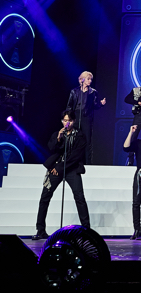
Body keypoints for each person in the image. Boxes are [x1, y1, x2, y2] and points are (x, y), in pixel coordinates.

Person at [32, 111, 90, 240]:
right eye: (64, 120)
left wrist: (59, 168)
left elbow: (76, 156)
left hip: (71, 169)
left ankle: (86, 230)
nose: (66, 123)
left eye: (69, 120)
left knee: (79, 197)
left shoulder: (80, 136)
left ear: (74, 121)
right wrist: (58, 138)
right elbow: (52, 149)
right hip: (56, 168)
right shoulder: (58, 134)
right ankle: (40, 229)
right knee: (45, 197)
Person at [66, 71, 106, 165]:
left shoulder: (93, 92)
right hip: (75, 116)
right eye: (88, 79)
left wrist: (101, 104)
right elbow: (69, 106)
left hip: (86, 117)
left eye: (91, 79)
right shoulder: (74, 91)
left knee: (87, 141)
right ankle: (72, 162)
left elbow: (95, 105)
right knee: (74, 140)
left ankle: (88, 164)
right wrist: (69, 119)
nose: (90, 81)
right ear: (82, 79)